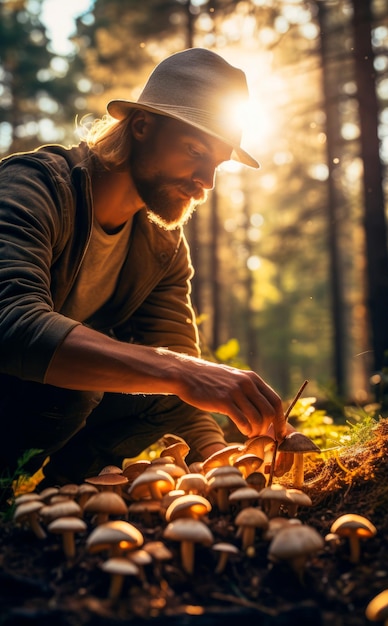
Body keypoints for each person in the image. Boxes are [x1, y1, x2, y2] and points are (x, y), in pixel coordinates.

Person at [0, 48, 293, 488]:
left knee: (168, 387)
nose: (207, 181)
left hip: (52, 407)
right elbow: (11, 323)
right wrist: (179, 371)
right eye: (195, 151)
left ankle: (67, 497)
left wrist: (220, 459)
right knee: (106, 380)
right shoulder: (35, 186)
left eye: (216, 163)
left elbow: (174, 358)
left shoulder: (163, 245)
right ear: (141, 126)